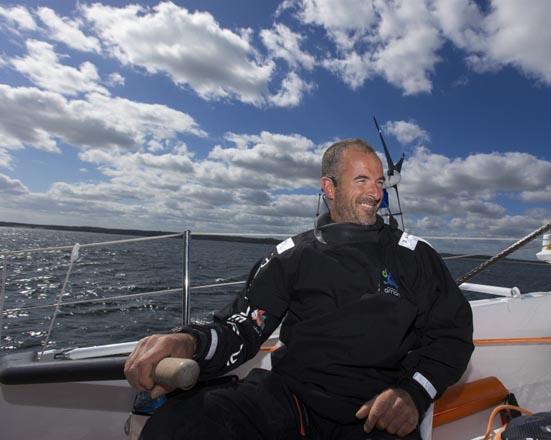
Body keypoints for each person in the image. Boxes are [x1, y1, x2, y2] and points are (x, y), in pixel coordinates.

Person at [124, 139, 474, 439]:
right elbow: (244, 327)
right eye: (362, 180)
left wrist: (414, 394)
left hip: (376, 412)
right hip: (293, 401)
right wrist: (188, 341)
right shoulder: (293, 256)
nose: (376, 192)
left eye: (379, 182)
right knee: (180, 425)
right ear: (330, 188)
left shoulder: (415, 257)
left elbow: (453, 335)